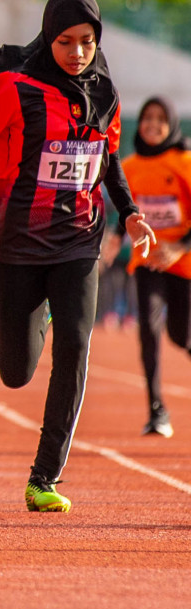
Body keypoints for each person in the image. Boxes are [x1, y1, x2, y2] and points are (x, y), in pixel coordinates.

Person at [0, 0, 155, 513]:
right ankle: (42, 315)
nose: (77, 53)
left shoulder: (105, 93)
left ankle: (43, 477)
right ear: (48, 38)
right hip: (18, 244)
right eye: (66, 42)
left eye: (87, 42)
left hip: (80, 240)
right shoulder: (13, 89)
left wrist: (130, 211)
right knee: (15, 372)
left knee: (75, 349)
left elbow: (110, 158)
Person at [120, 96, 191, 438]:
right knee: (148, 328)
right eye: (147, 117)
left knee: (182, 335)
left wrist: (178, 248)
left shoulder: (185, 162)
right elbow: (123, 213)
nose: (152, 124)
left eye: (160, 119)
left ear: (172, 125)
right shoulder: (129, 167)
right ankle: (156, 409)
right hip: (147, 261)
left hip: (184, 264)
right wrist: (109, 237)